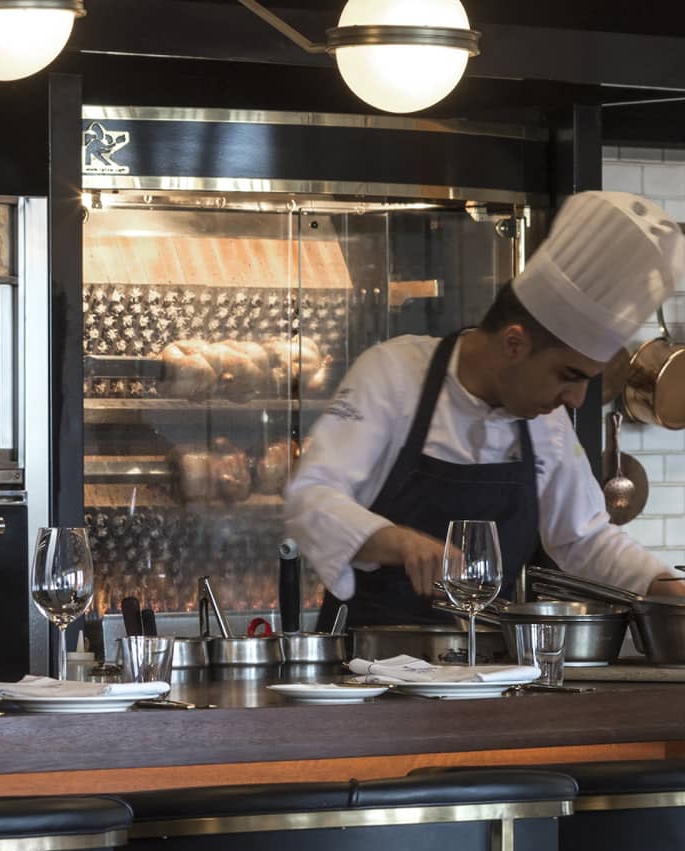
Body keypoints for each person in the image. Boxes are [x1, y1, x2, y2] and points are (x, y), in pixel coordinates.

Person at [284, 191, 685, 629]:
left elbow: (583, 537)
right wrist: (398, 541)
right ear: (514, 343)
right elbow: (310, 499)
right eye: (569, 375)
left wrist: (665, 587)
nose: (576, 400)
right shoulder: (394, 375)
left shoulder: (543, 422)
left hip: (485, 672)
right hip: (365, 670)